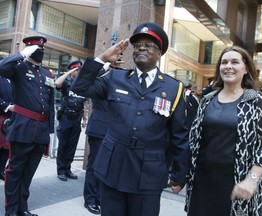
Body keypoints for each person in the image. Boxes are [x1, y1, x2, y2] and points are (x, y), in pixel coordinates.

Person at [72, 22, 190, 216]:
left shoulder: (173, 88)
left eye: (149, 45)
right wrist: (101, 59)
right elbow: (80, 87)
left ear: (159, 53)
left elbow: (179, 135)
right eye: (137, 45)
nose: (141, 48)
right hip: (113, 167)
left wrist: (179, 173)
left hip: (148, 173)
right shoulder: (115, 78)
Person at [186, 45, 262, 216]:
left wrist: (252, 180)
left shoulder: (258, 101)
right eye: (224, 62)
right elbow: (194, 140)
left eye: (235, 62)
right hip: (201, 180)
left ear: (246, 68)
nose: (228, 66)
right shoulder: (207, 100)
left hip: (238, 183)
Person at [0, 36, 54, 216]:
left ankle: (22, 208)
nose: (41, 51)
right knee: (15, 172)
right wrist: (21, 55)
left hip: (41, 130)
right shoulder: (18, 68)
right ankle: (12, 211)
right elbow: (1, 68)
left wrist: (51, 131)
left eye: (43, 49)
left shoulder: (48, 74)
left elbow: (51, 103)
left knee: (28, 174)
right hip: (22, 128)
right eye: (37, 49)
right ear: (30, 49)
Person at [83, 62, 114, 215]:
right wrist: (105, 64)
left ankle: (100, 197)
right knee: (94, 165)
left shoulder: (117, 77)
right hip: (99, 128)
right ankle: (89, 199)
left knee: (106, 167)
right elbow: (89, 76)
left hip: (113, 130)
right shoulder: (101, 75)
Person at [55, 60, 87, 181]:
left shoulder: (82, 86)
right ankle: (61, 170)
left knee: (72, 146)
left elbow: (84, 103)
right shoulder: (66, 83)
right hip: (66, 118)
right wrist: (69, 72)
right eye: (77, 71)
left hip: (77, 119)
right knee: (63, 145)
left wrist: (85, 118)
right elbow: (57, 83)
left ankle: (67, 169)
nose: (78, 73)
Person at [0, 77, 13, 181]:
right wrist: (7, 106)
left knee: (6, 147)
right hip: (1, 114)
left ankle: (1, 170)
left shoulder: (16, 80)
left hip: (11, 118)